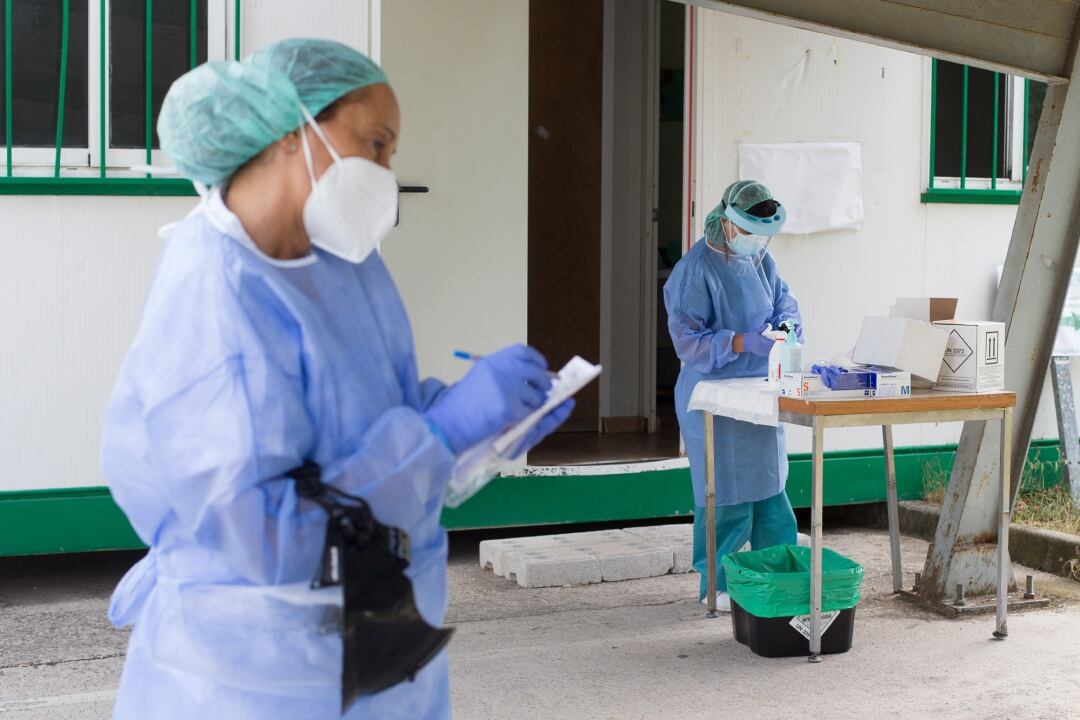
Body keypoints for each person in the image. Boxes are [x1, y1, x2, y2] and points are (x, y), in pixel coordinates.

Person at [102, 39, 572, 720]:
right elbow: (265, 534)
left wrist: (488, 425)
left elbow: (367, 424)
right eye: (376, 144)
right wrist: (439, 433)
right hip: (257, 674)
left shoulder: (344, 264)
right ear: (294, 130)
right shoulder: (215, 293)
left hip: (376, 642)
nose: (385, 171)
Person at [663, 180, 802, 612]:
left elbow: (786, 304)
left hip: (758, 390)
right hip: (714, 396)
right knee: (723, 494)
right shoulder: (695, 270)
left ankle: (777, 575)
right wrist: (741, 342)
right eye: (749, 231)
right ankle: (718, 585)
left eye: (763, 234)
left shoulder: (761, 259)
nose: (756, 241)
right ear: (726, 223)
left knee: (769, 491)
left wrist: (785, 330)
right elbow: (688, 341)